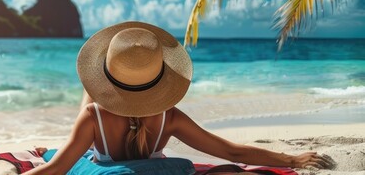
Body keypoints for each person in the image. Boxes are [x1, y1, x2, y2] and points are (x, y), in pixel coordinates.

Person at [24, 21, 330, 174]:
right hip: (150, 154)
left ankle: (47, 147)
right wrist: (291, 159)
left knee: (70, 156)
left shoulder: (93, 115)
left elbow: (55, 172)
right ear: (160, 79)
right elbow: (232, 153)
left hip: (102, 157)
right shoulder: (169, 117)